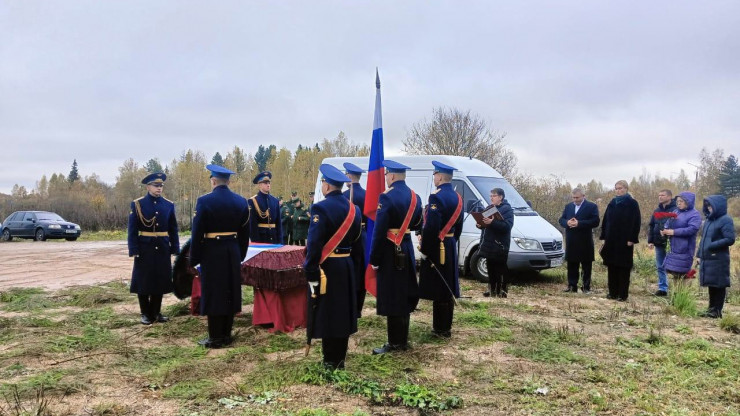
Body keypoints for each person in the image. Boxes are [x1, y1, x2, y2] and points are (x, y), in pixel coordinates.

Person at [303, 164, 362, 369]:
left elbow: (314, 245)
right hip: (346, 265)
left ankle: (330, 360)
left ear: (327, 186)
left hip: (326, 268)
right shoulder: (354, 210)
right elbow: (357, 243)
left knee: (328, 312)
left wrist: (310, 272)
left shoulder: (320, 208)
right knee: (342, 312)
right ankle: (340, 359)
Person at [189, 165, 251, 348]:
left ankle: (215, 337)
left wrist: (194, 259)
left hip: (212, 252)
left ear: (213, 181)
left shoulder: (204, 201)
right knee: (230, 291)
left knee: (214, 292)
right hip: (232, 250)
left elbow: (197, 233)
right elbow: (245, 233)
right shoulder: (241, 202)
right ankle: (226, 334)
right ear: (229, 182)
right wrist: (239, 254)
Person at [369, 160, 423, 354]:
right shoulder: (415, 197)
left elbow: (379, 230)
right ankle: (403, 339)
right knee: (404, 292)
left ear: (391, 176)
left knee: (393, 295)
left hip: (390, 250)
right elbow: (418, 223)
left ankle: (395, 343)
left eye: (386, 176)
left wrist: (374, 259)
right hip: (406, 247)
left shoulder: (387, 197)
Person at [127, 172, 180, 325]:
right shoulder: (138, 204)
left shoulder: (168, 205)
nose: (159, 188)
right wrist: (134, 249)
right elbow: (132, 229)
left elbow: (173, 228)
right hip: (145, 247)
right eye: (156, 186)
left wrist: (174, 247)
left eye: (161, 186)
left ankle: (156, 312)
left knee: (160, 279)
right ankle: (145, 313)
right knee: (143, 280)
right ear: (148, 186)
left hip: (162, 246)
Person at [419, 161, 463, 338]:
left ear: (440, 176)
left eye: (435, 175)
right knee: (448, 286)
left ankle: (440, 329)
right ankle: (445, 327)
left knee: (440, 287)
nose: (434, 178)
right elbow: (458, 226)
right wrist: (452, 240)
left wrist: (426, 249)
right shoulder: (457, 197)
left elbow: (431, 227)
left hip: (439, 247)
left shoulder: (436, 197)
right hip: (450, 245)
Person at [599, 180, 641, 302]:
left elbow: (636, 222)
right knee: (612, 266)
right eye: (616, 188)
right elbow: (606, 220)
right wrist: (604, 237)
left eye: (621, 188)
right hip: (611, 239)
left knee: (623, 267)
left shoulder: (632, 203)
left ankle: (622, 294)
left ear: (626, 189)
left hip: (624, 240)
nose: (618, 190)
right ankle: (612, 292)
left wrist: (632, 238)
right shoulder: (612, 203)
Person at [696, 195, 736, 318]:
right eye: (707, 205)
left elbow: (730, 239)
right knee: (711, 284)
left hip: (719, 257)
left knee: (719, 284)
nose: (708, 207)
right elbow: (703, 239)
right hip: (708, 257)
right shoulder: (708, 220)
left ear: (717, 206)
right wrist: (699, 255)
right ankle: (711, 309)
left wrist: (712, 246)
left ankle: (717, 311)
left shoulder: (725, 220)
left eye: (710, 205)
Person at [558, 188, 600, 293]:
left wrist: (579, 223)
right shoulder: (568, 207)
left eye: (577, 197)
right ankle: (572, 286)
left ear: (583, 196)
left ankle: (586, 287)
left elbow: (595, 221)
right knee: (572, 264)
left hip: (585, 241)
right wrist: (567, 222)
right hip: (571, 240)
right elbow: (561, 220)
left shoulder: (591, 206)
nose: (575, 200)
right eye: (573, 198)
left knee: (586, 265)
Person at [476, 188, 514, 298]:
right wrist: (480, 224)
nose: (491, 197)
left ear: (501, 197)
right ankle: (491, 289)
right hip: (489, 243)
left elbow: (507, 227)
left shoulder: (507, 210)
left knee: (500, 269)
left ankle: (502, 290)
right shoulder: (490, 208)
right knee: (490, 268)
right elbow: (484, 222)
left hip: (500, 244)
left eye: (494, 195)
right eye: (491, 195)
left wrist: (492, 222)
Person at [342, 162, 368, 316]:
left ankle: (348, 306)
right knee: (361, 272)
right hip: (363, 235)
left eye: (346, 175)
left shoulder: (344, 196)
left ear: (350, 176)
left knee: (348, 271)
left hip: (348, 236)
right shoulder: (367, 195)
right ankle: (358, 308)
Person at [661, 192, 701, 284]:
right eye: (678, 201)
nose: (679, 203)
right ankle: (676, 296)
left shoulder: (694, 214)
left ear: (688, 202)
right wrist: (665, 230)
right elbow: (668, 222)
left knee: (684, 275)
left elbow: (692, 229)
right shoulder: (676, 211)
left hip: (685, 248)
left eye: (681, 201)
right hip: (674, 247)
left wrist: (673, 232)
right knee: (675, 273)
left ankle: (683, 296)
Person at [647, 189, 676, 297]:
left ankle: (677, 289)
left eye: (663, 195)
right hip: (658, 242)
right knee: (660, 266)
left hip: (672, 243)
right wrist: (650, 241)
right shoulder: (657, 210)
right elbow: (651, 225)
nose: (660, 197)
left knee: (674, 267)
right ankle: (662, 288)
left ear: (669, 197)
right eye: (659, 195)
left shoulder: (676, 210)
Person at [247, 171, 282, 244]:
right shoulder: (253, 201)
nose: (268, 185)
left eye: (269, 183)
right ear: (259, 185)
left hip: (274, 239)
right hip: (261, 239)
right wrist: (256, 243)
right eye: (265, 183)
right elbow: (252, 225)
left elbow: (278, 224)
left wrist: (280, 242)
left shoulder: (275, 201)